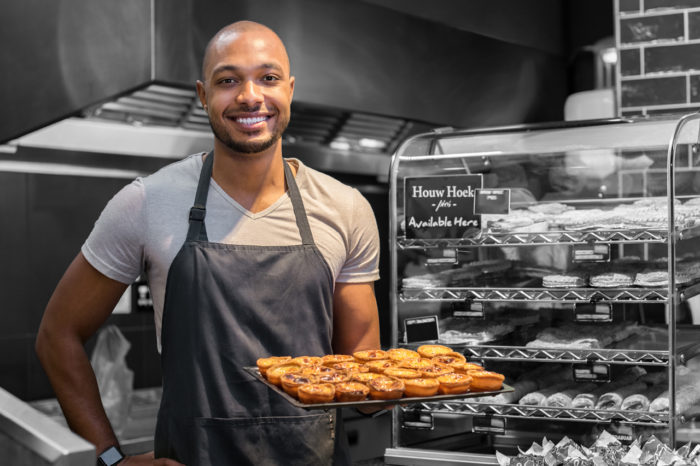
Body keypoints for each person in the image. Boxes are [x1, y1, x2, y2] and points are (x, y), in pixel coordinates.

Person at [35, 20, 381, 466]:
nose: (250, 96)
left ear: (290, 90)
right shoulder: (145, 202)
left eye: (268, 78)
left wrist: (420, 383)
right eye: (228, 80)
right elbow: (56, 334)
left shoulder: (345, 208)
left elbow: (365, 378)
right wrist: (109, 459)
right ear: (202, 95)